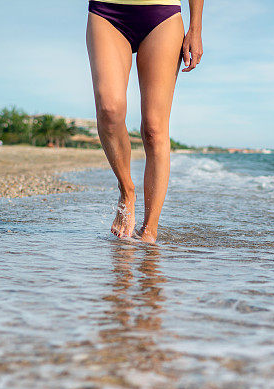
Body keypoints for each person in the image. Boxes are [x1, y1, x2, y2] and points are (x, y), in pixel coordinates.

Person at [86, 0, 203, 243]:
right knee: (109, 108)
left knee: (154, 128)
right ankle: (127, 190)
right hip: (107, 11)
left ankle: (149, 231)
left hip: (163, 14)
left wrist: (195, 27)